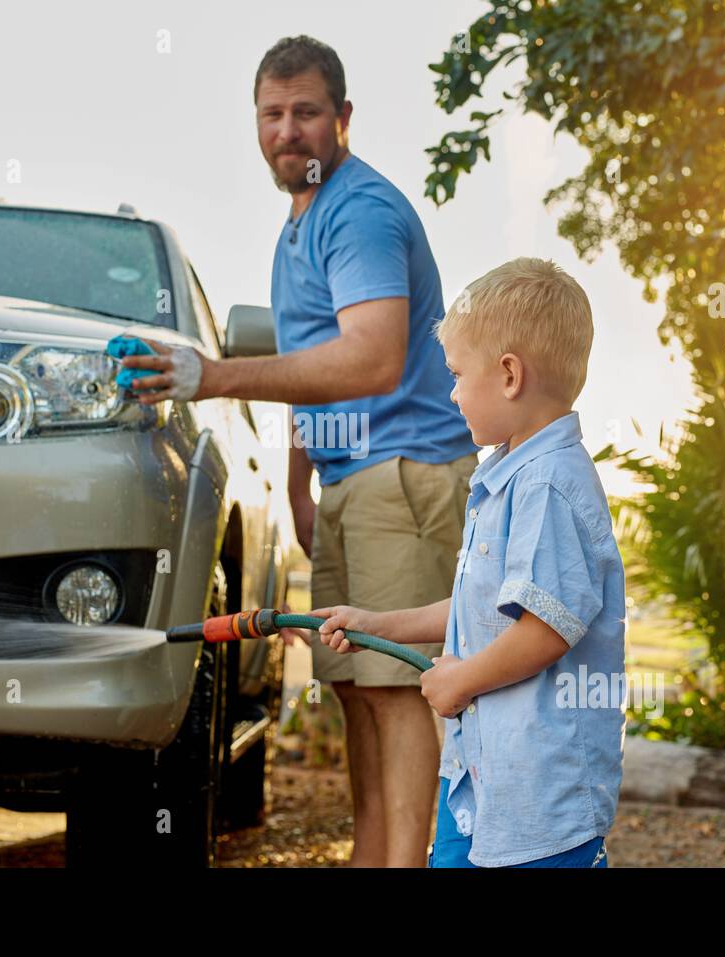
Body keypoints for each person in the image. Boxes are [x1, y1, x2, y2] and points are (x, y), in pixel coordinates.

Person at [119, 35, 478, 867]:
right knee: (357, 692)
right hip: (354, 483)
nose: (289, 130)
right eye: (273, 114)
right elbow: (311, 365)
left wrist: (212, 376)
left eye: (307, 112)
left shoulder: (359, 213)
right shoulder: (298, 225)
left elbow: (373, 355)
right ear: (256, 124)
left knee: (400, 695)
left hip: (408, 473)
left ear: (342, 119)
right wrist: (298, 486)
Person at [315, 258, 625, 868]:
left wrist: (460, 680)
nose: (451, 392)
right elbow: (482, 609)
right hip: (482, 786)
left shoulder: (551, 484)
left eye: (457, 374)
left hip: (541, 807)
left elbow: (549, 628)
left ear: (509, 375)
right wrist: (377, 623)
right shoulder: (507, 479)